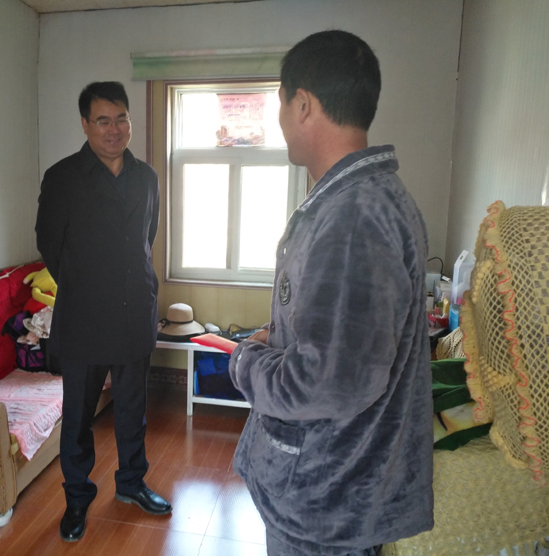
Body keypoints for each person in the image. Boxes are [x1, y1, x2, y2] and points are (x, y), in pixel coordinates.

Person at [228, 30, 434, 556]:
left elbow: (328, 384)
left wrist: (245, 360)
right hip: (334, 492)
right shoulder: (360, 200)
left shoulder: (353, 217)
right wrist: (280, 338)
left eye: (280, 105)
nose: (280, 122)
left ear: (302, 105)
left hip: (325, 501)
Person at [35, 81, 170, 543]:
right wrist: (87, 284)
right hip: (84, 317)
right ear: (85, 125)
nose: (114, 130)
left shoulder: (147, 177)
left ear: (130, 121)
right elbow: (50, 244)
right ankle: (77, 498)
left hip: (135, 313)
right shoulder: (62, 177)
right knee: (77, 417)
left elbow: (146, 237)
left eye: (121, 119)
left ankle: (132, 484)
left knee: (133, 410)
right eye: (103, 120)